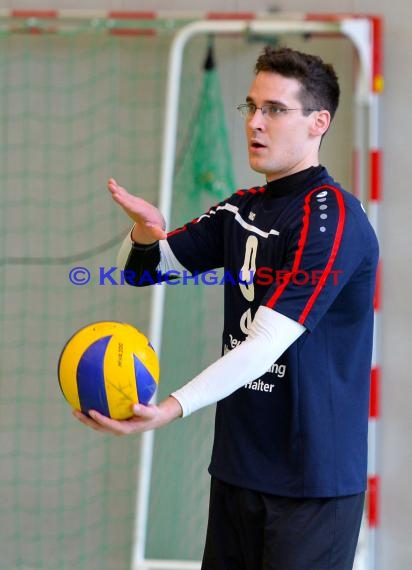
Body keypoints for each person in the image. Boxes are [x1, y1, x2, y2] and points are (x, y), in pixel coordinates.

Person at [74, 46, 379, 570]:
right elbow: (141, 269)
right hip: (238, 471)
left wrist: (167, 408)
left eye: (275, 110)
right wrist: (144, 234)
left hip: (311, 485)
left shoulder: (333, 219)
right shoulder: (243, 208)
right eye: (251, 107)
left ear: (317, 122)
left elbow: (263, 346)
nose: (256, 123)